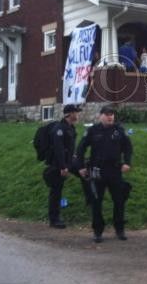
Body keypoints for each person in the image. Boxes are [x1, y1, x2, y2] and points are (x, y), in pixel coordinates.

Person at [75, 106, 133, 243]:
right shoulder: (93, 130)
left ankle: (119, 229)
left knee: (119, 201)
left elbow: (128, 147)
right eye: (107, 114)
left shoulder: (119, 130)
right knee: (96, 202)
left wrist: (127, 162)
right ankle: (98, 231)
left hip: (115, 171)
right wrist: (81, 167)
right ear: (100, 116)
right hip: (97, 171)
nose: (110, 117)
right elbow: (81, 148)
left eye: (112, 115)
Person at [44, 104, 81, 229]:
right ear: (70, 114)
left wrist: (75, 156)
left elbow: (69, 147)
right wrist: (63, 167)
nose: (78, 114)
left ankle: (91, 201)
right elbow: (59, 150)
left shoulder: (70, 128)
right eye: (76, 112)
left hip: (68, 162)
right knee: (56, 191)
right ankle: (54, 220)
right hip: (58, 165)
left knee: (84, 173)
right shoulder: (59, 129)